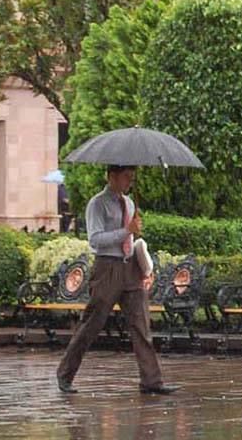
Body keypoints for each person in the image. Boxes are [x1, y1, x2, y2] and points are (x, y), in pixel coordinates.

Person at [55, 164, 178, 396]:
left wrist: (142, 260)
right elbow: (95, 239)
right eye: (126, 177)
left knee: (141, 324)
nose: (130, 182)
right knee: (92, 323)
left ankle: (152, 381)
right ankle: (65, 374)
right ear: (112, 176)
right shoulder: (97, 204)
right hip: (107, 267)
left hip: (130, 267)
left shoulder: (129, 203)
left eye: (132, 178)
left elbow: (130, 238)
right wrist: (126, 231)